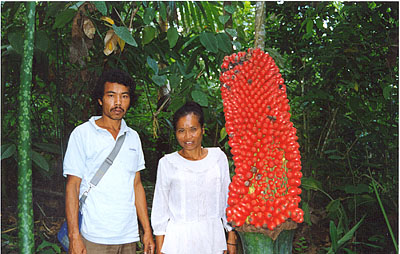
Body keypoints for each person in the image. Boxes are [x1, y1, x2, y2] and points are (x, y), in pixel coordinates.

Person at [63, 69, 155, 254]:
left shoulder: (133, 137)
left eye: (124, 96)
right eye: (111, 96)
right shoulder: (82, 134)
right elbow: (72, 186)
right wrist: (74, 236)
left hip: (128, 236)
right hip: (94, 237)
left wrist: (147, 231)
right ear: (100, 99)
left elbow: (136, 185)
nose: (118, 103)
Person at [151, 101, 237, 254]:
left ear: (203, 130)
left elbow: (228, 199)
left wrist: (230, 235)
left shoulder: (217, 158)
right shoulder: (168, 163)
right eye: (181, 131)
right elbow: (160, 209)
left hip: (212, 238)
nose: (187, 136)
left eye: (193, 129)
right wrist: (160, 249)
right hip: (179, 241)